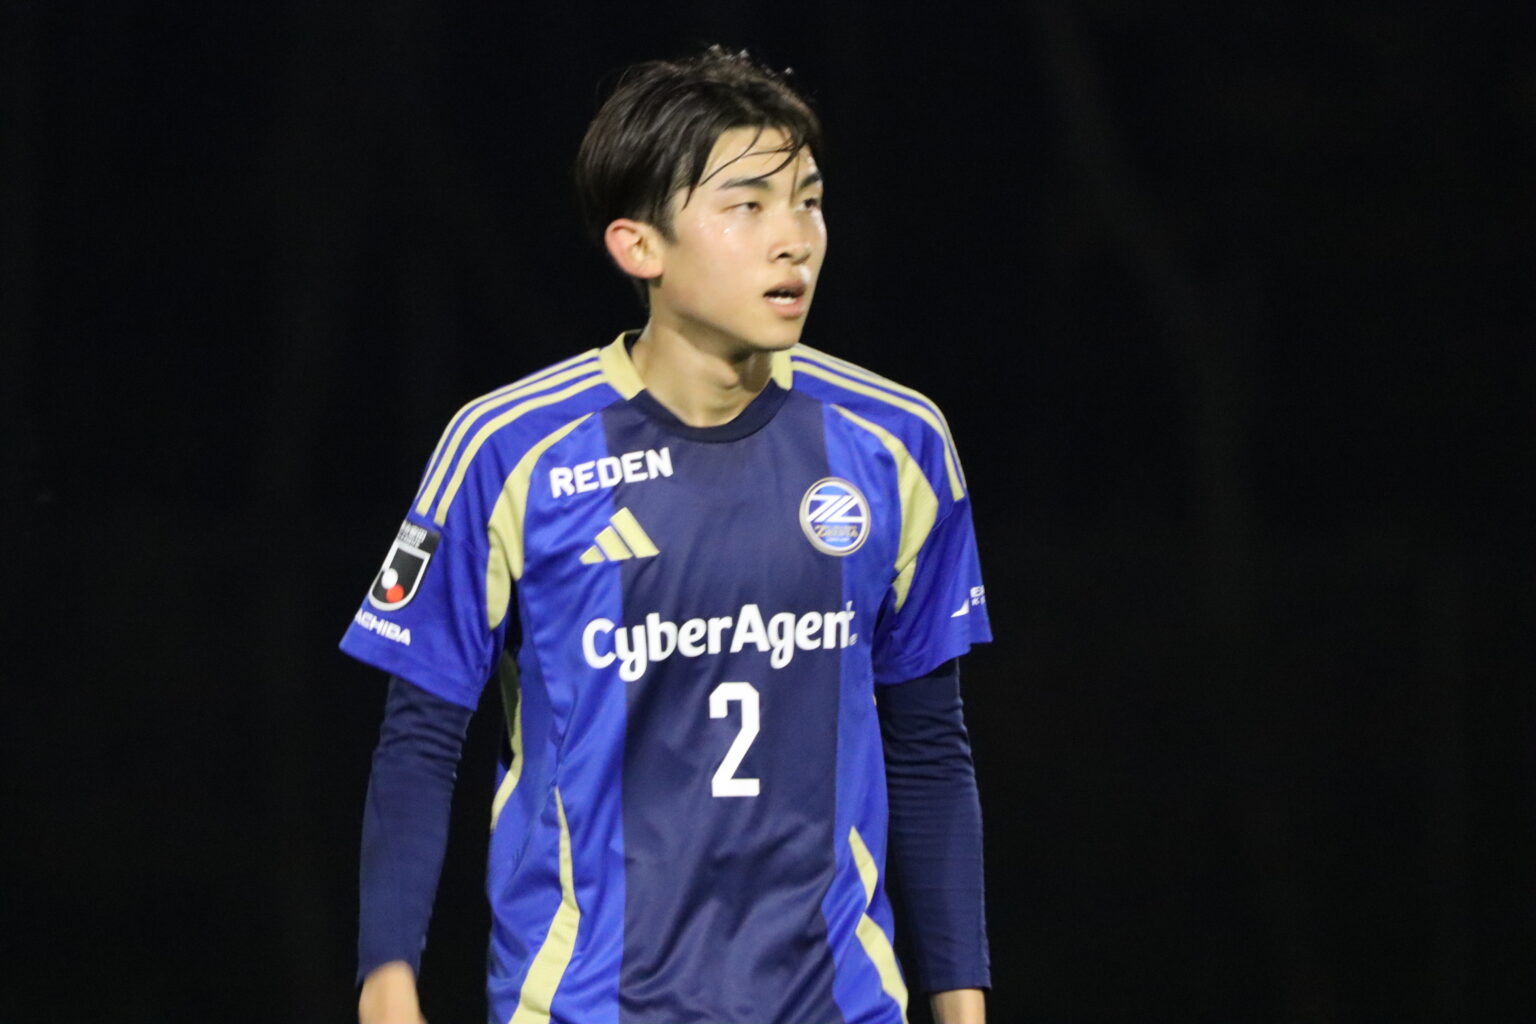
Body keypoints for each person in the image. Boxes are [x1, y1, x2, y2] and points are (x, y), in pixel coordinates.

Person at [342, 46, 992, 1024]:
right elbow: (422, 734)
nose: (794, 239)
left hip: (837, 1005)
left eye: (809, 201)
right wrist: (387, 976)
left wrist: (961, 1002)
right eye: (748, 205)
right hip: (588, 1004)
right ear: (638, 245)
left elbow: (930, 743)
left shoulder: (899, 443)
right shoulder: (506, 450)